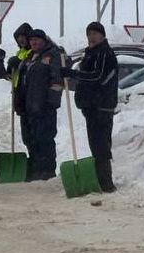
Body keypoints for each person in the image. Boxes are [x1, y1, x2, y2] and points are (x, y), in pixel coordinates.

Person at [61, 21, 119, 192]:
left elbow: (97, 76)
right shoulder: (90, 53)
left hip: (101, 106)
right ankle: (100, 180)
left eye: (95, 33)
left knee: (101, 145)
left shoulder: (104, 53)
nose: (91, 37)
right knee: (96, 144)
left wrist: (73, 73)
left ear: (102, 36)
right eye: (89, 34)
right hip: (91, 106)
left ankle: (106, 183)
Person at [23, 29, 64, 180]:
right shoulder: (30, 57)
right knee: (33, 138)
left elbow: (57, 81)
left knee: (45, 137)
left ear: (44, 40)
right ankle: (37, 169)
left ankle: (47, 170)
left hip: (45, 106)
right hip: (31, 106)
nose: (33, 42)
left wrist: (50, 102)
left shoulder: (51, 55)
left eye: (37, 39)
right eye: (31, 40)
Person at [0, 22, 34, 156]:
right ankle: (33, 160)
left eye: (23, 36)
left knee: (35, 136)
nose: (21, 40)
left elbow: (32, 67)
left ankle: (39, 162)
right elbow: (12, 76)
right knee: (27, 137)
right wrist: (7, 68)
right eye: (18, 37)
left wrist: (20, 64)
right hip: (20, 99)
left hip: (31, 99)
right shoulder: (20, 53)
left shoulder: (34, 52)